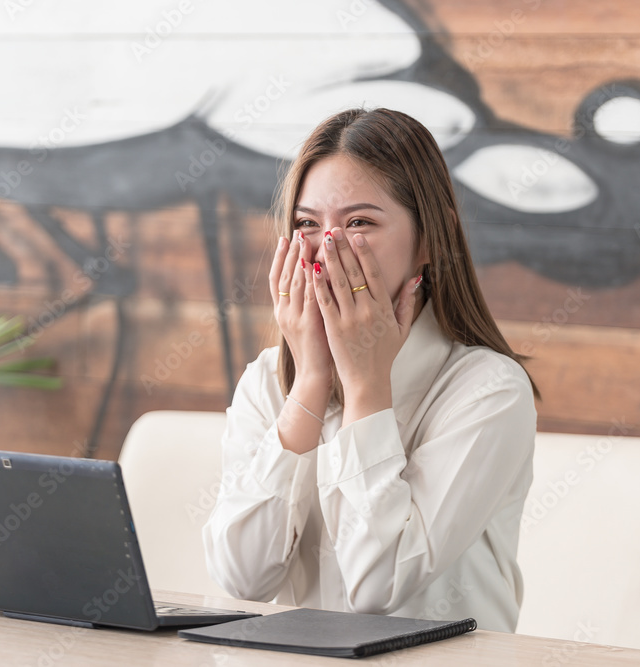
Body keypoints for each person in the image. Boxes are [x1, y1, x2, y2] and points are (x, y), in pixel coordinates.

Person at [202, 107, 538, 632]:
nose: (327, 249)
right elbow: (243, 577)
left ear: (431, 239)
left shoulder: (489, 391)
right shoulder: (270, 381)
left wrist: (364, 386)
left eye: (359, 223)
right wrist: (311, 385)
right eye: (307, 225)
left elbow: (376, 586)